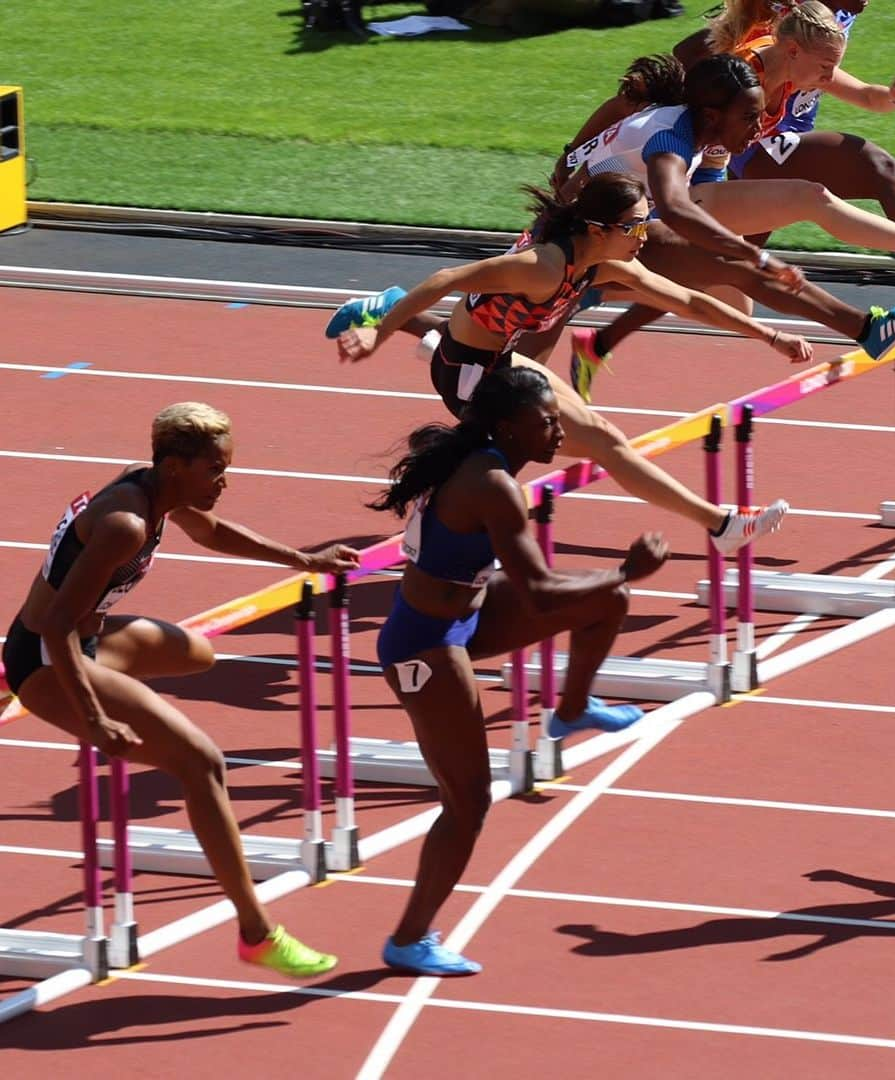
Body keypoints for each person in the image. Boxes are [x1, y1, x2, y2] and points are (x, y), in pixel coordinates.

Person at [1, 402, 361, 977]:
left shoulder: (151, 487)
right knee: (202, 763)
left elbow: (212, 531)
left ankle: (115, 696)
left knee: (198, 653)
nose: (225, 480)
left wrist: (304, 561)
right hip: (45, 655)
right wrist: (94, 720)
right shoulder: (126, 523)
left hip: (87, 638)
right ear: (174, 466)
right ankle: (257, 933)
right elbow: (56, 625)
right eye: (214, 469)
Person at [369, 365, 670, 974]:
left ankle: (571, 709)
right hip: (423, 646)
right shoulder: (492, 483)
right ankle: (408, 939)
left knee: (605, 601)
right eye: (547, 422)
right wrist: (625, 570)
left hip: (469, 614)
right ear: (508, 427)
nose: (559, 431)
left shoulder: (483, 461)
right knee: (469, 801)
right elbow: (537, 591)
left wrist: (612, 584)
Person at [329, 171, 799, 553]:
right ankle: (721, 526)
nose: (645, 234)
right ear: (598, 230)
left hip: (500, 358)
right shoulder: (543, 267)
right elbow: (445, 277)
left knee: (602, 439)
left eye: (646, 221)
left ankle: (721, 526)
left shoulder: (603, 263)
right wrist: (376, 333)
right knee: (554, 449)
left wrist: (769, 334)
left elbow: (690, 302)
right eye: (635, 225)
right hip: (469, 376)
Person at [550, 52, 895, 402]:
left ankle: (868, 329)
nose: (758, 129)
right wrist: (752, 252)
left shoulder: (694, 126)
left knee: (733, 282)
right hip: (578, 242)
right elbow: (674, 208)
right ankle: (869, 328)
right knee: (738, 266)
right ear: (713, 116)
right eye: (750, 118)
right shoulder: (671, 140)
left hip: (607, 231)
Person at [674, 0, 895, 301]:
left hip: (749, 146)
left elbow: (862, 93)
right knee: (867, 171)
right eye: (824, 67)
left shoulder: (823, 28)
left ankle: (631, 299)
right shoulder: (768, 45)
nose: (867, 1)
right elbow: (688, 57)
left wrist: (894, 96)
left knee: (721, 281)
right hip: (744, 150)